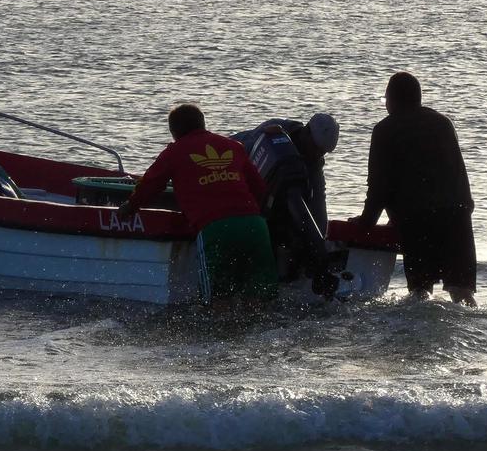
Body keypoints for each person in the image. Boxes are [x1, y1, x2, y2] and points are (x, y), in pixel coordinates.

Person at [119, 103, 276, 302]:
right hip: (255, 227)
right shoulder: (233, 146)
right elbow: (260, 189)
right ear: (203, 124)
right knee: (262, 300)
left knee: (216, 302)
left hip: (216, 229)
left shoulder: (174, 152)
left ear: (173, 132)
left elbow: (150, 184)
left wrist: (130, 206)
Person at [353, 72, 477, 304]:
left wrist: (366, 221)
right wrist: (465, 211)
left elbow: (379, 186)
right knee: (462, 292)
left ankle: (420, 340)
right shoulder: (443, 123)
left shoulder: (385, 130)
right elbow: (459, 174)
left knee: (420, 294)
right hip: (457, 216)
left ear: (392, 99)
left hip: (418, 221)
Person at [233, 113, 340, 231]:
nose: (317, 155)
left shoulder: (315, 161)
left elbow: (319, 204)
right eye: (315, 148)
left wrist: (319, 239)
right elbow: (242, 154)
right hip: (229, 164)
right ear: (307, 131)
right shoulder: (273, 131)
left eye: (322, 152)